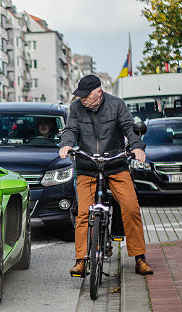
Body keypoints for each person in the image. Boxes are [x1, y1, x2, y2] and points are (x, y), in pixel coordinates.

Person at [59, 74, 152, 276]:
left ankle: (139, 257)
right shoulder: (76, 108)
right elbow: (70, 130)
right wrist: (66, 144)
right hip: (88, 165)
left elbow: (129, 127)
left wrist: (136, 147)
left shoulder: (117, 105)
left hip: (115, 164)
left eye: (86, 95)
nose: (82, 99)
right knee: (83, 213)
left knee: (131, 207)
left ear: (98, 93)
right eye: (80, 95)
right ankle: (81, 260)